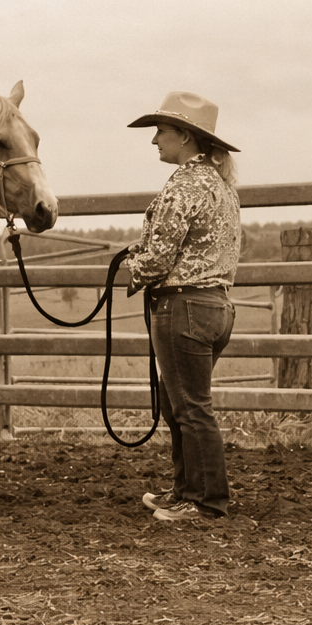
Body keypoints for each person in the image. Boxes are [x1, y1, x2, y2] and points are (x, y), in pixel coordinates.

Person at [124, 92, 242, 522]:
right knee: (181, 406)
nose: (155, 140)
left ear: (185, 137)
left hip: (184, 307)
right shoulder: (219, 186)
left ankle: (206, 501)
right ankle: (187, 490)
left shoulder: (183, 186)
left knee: (190, 407)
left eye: (162, 131)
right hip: (215, 308)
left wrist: (133, 269)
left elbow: (157, 260)